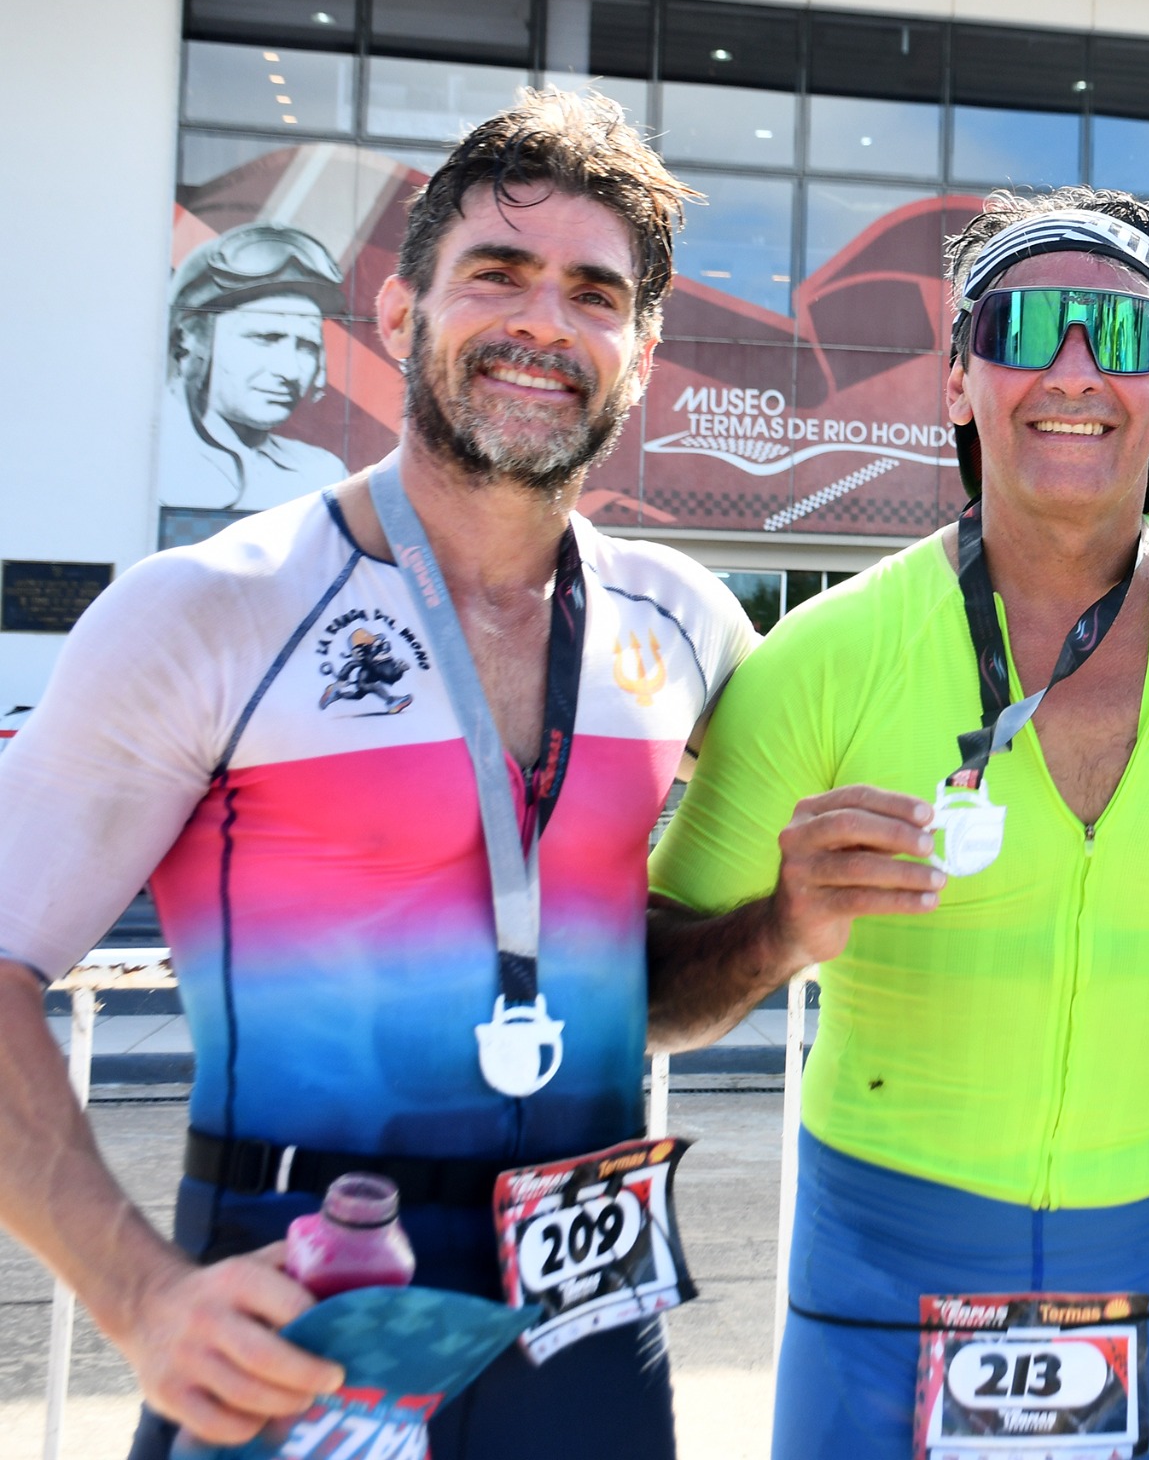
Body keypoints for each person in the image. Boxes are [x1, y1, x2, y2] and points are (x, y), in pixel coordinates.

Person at [0, 91, 772, 1459]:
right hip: (297, 1306)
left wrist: (1146, 542)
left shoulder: (687, 623)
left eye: (595, 295)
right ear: (401, 313)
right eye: (498, 274)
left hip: (591, 1321)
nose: (544, 322)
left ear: (643, 355)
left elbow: (914, 702)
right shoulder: (213, 608)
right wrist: (139, 1296)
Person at [641, 188, 1149, 1460]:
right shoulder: (823, 657)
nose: (1076, 370)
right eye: (1029, 326)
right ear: (958, 380)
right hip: (886, 1262)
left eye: (1125, 334)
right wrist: (777, 931)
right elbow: (645, 987)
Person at [158, 222, 351, 517]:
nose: (290, 371)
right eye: (265, 338)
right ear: (191, 340)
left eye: (307, 346)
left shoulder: (321, 475)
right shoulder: (138, 454)